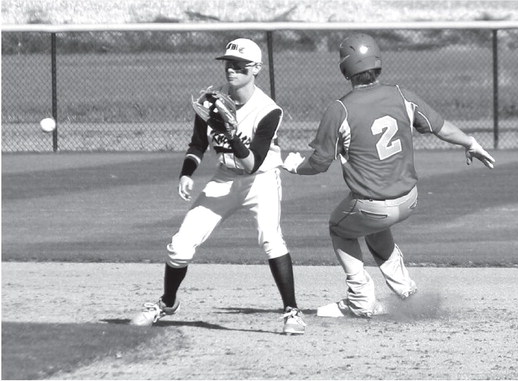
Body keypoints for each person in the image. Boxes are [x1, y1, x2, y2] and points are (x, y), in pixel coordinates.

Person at [282, 33, 495, 318]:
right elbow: (440, 127)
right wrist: (471, 143)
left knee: (339, 228)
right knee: (373, 228)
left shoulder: (340, 109)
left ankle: (360, 300)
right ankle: (406, 290)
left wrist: (294, 165)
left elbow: (319, 163)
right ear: (377, 62)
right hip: (409, 200)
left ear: (345, 68)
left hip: (372, 205)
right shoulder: (401, 95)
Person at [131, 38, 306, 334]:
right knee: (179, 246)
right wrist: (186, 173)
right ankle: (167, 303)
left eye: (239, 65)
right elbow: (198, 145)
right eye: (228, 63)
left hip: (259, 181)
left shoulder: (268, 111)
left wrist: (229, 131)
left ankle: (292, 312)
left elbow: (252, 163)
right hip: (223, 179)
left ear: (256, 69)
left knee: (270, 239)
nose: (231, 69)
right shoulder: (212, 102)